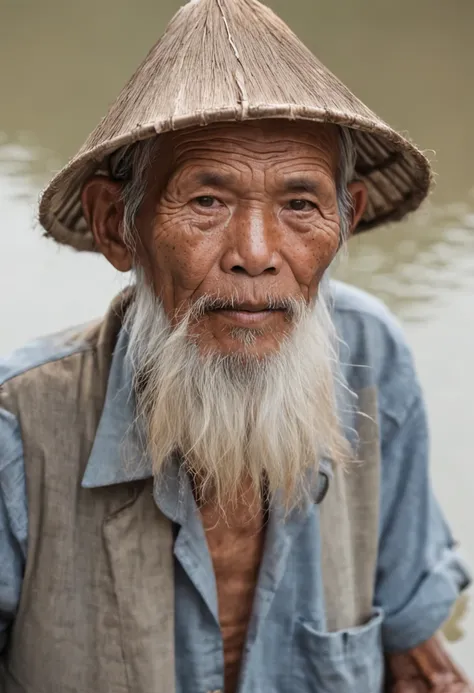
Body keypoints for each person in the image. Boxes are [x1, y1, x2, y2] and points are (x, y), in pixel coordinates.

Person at [0, 0, 471, 691]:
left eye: (300, 205)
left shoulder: (372, 361)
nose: (255, 254)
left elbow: (418, 658)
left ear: (348, 218)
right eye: (206, 202)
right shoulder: (19, 430)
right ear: (115, 226)